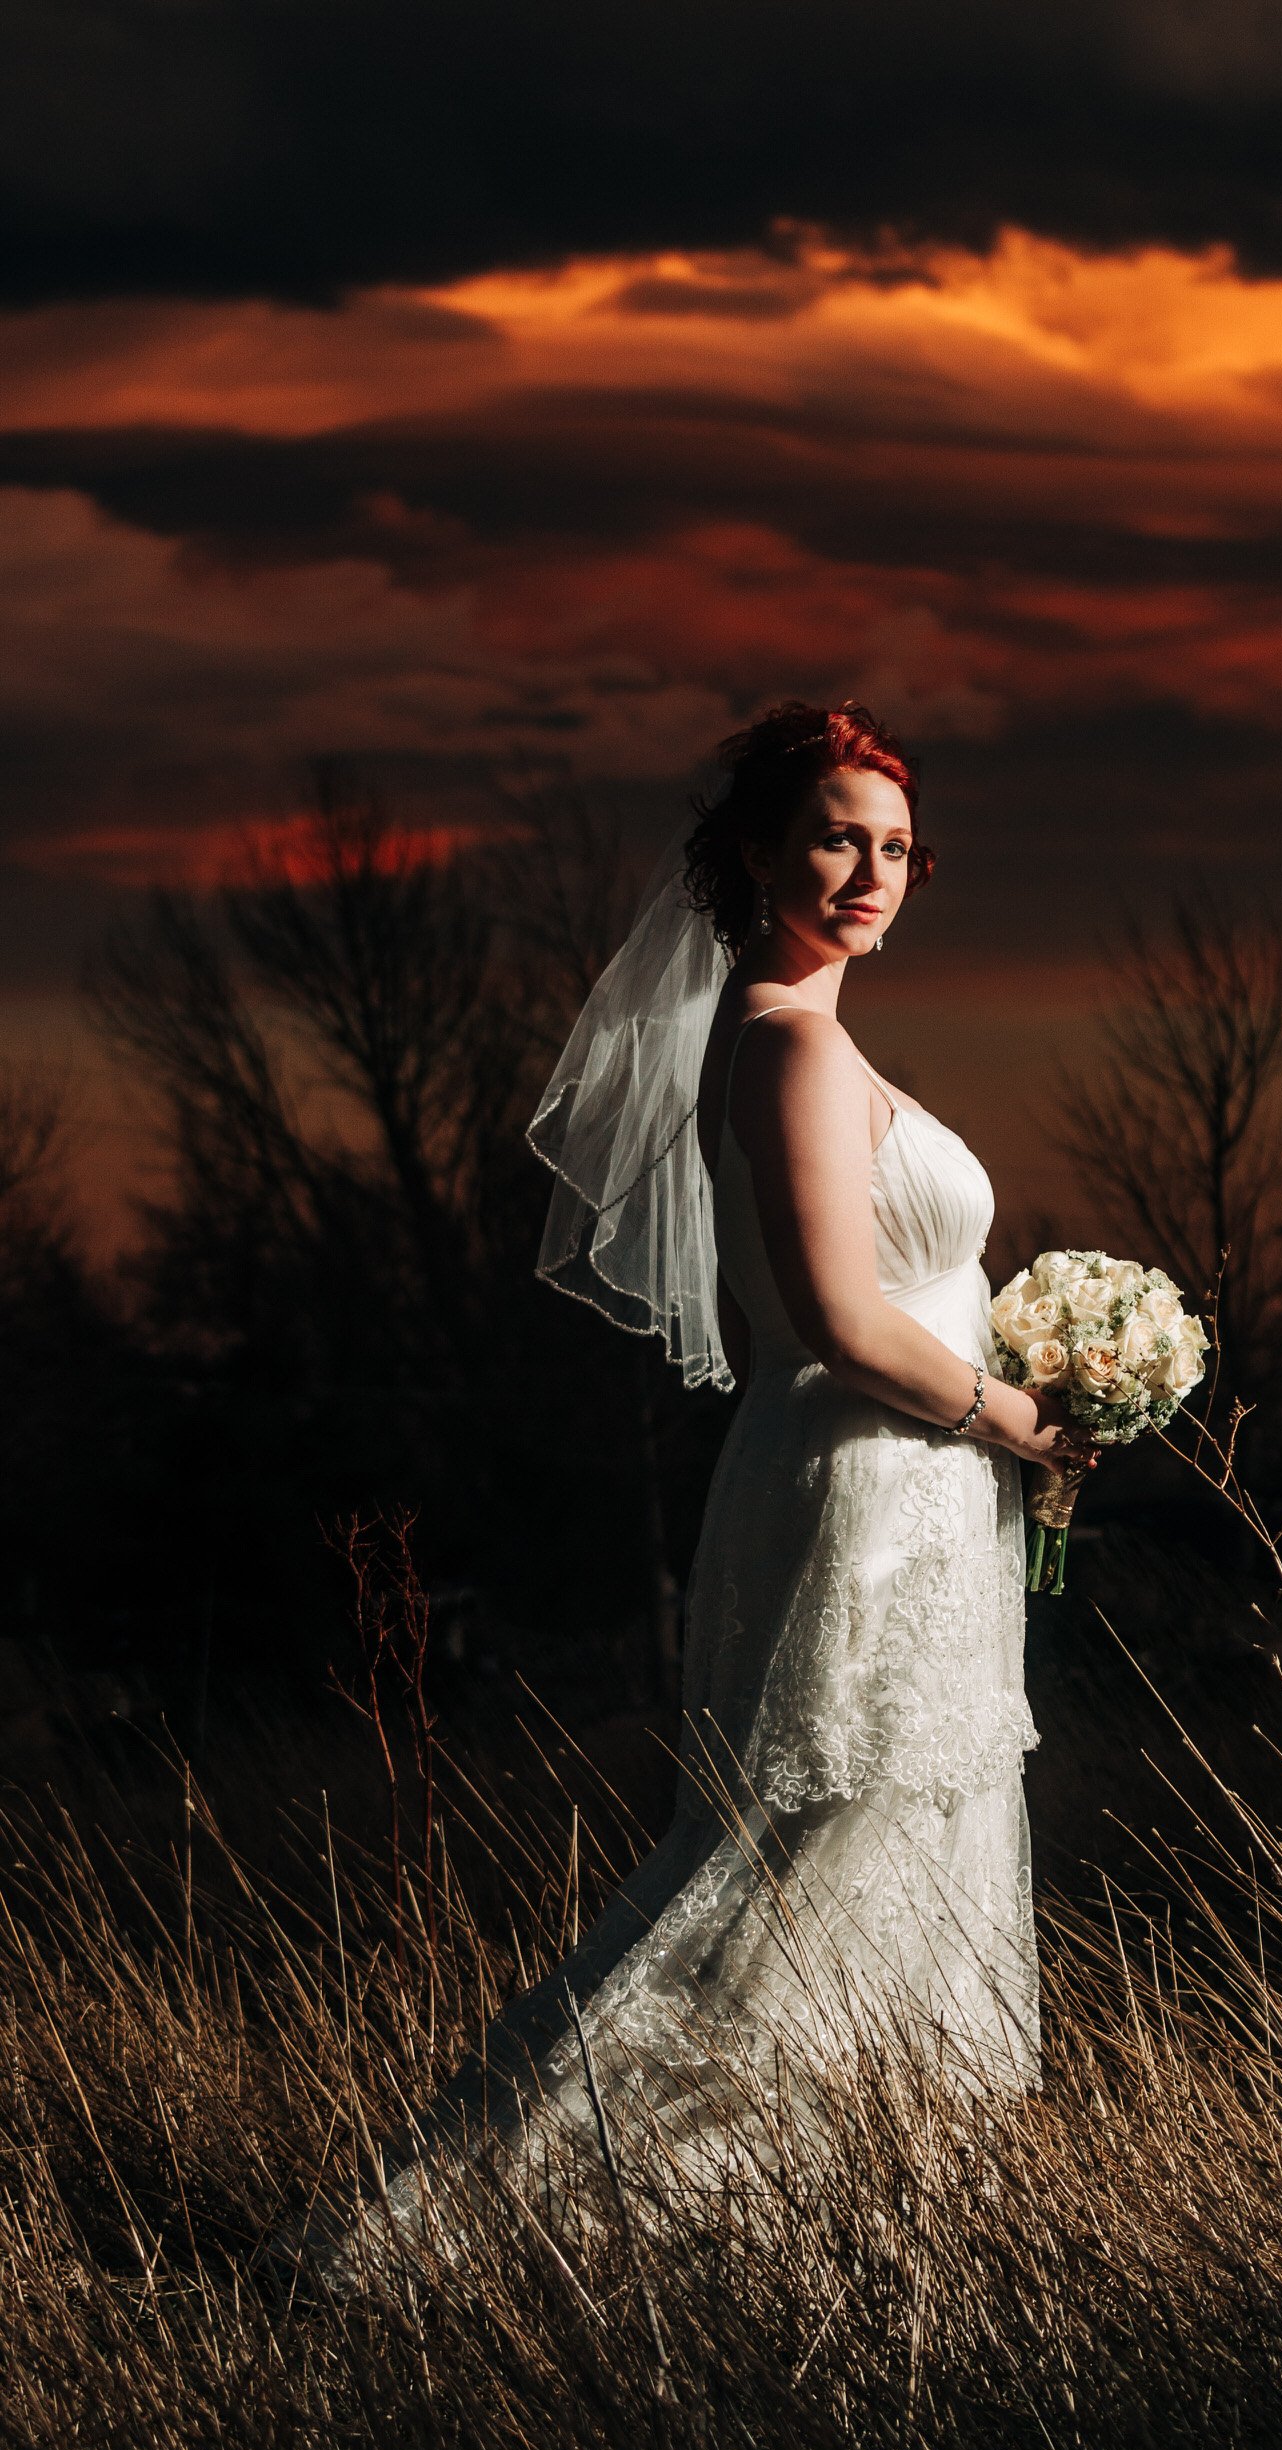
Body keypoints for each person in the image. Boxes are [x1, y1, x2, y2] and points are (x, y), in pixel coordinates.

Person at [335, 701, 1091, 2270]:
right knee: (806, 1866)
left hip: (900, 1482)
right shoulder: (783, 1043)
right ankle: (518, 2222)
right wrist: (1015, 1413)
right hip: (874, 1494)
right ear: (758, 853)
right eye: (836, 836)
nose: (873, 871)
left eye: (894, 845)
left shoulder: (801, 1033)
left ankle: (872, 2218)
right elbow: (825, 1318)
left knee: (882, 1852)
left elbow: (823, 1313)